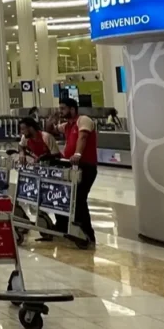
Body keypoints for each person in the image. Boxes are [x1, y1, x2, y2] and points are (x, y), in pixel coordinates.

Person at [59, 98, 98, 247]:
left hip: (85, 166)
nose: (61, 111)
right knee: (72, 198)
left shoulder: (83, 120)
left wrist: (78, 154)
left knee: (79, 199)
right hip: (72, 167)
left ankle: (88, 234)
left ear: (72, 109)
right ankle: (73, 229)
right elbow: (52, 129)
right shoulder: (68, 125)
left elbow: (83, 137)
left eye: (63, 108)